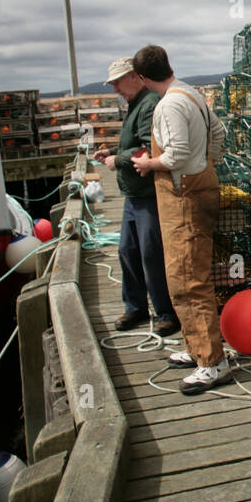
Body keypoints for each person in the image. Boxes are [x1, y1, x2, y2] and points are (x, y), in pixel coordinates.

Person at [129, 45, 229, 395]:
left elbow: (177, 154)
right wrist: (207, 166)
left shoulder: (168, 104)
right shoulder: (191, 93)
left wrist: (147, 165)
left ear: (142, 79)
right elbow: (217, 134)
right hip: (200, 188)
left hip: (183, 198)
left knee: (188, 280)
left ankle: (212, 363)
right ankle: (196, 347)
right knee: (188, 275)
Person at [93, 57, 181, 338]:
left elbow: (149, 148)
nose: (115, 88)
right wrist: (111, 153)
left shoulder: (149, 104)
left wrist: (116, 160)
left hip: (148, 195)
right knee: (127, 251)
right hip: (133, 195)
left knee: (150, 254)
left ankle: (166, 313)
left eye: (118, 82)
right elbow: (134, 144)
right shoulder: (135, 103)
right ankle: (136, 308)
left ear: (134, 76)